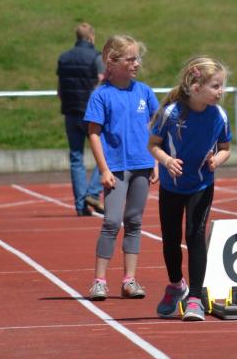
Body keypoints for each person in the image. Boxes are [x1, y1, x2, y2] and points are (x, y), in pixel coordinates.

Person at [148, 56, 231, 321]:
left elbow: (225, 148)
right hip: (171, 186)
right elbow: (153, 145)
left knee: (195, 235)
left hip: (201, 184)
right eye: (215, 86)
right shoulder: (171, 113)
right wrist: (166, 161)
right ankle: (176, 285)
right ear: (196, 88)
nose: (221, 91)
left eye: (222, 85)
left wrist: (217, 160)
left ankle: (195, 297)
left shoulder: (219, 116)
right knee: (170, 238)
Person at [84, 35, 159, 301]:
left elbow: (156, 127)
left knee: (134, 222)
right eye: (131, 59)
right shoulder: (101, 95)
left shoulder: (144, 92)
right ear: (112, 62)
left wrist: (156, 160)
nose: (136, 63)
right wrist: (103, 169)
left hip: (142, 165)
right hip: (115, 168)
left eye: (138, 58)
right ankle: (99, 281)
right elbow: (94, 134)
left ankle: (129, 280)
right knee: (112, 222)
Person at [56, 22, 105, 216]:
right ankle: (93, 192)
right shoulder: (96, 57)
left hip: (70, 112)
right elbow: (102, 82)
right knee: (106, 151)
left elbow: (60, 90)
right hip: (91, 113)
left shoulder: (64, 58)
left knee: (76, 158)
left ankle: (80, 205)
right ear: (91, 37)